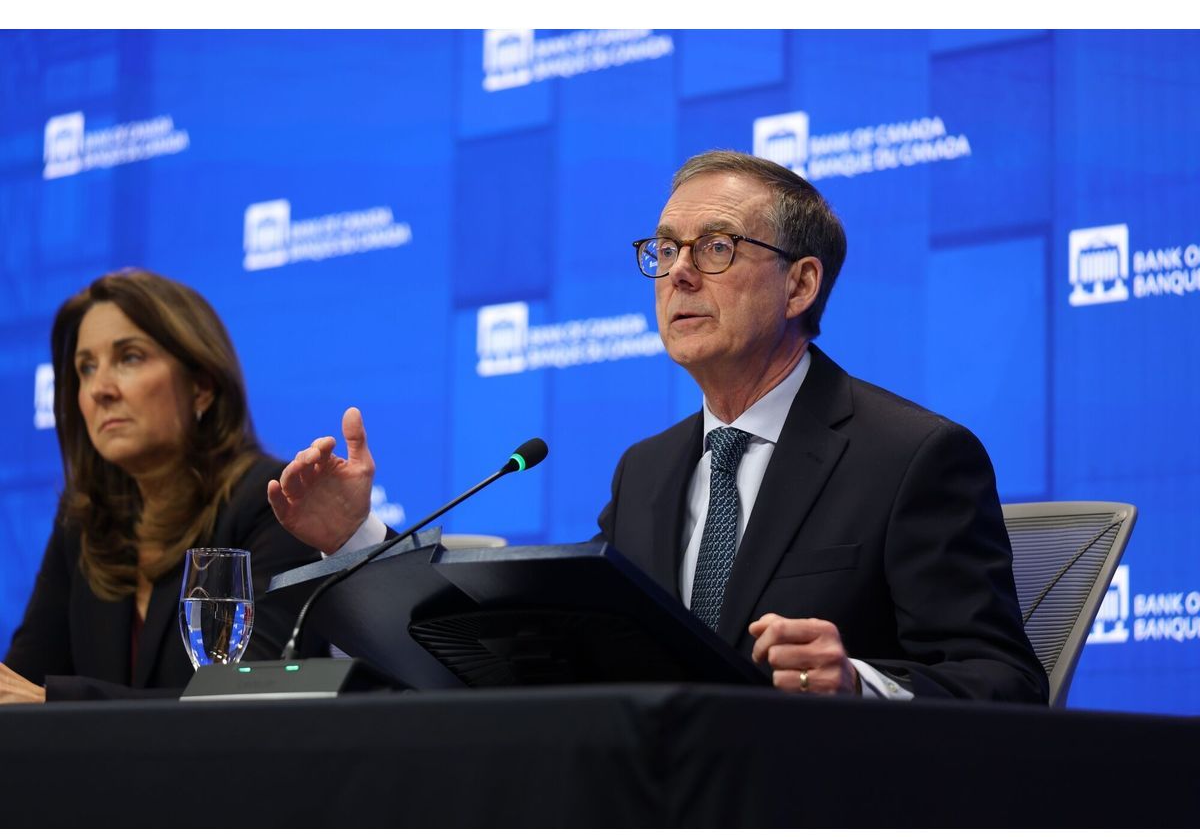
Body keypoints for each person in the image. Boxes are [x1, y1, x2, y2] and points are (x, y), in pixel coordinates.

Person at [267, 151, 1049, 703]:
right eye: (666, 249)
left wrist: (859, 683)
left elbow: (1004, 683)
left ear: (801, 283)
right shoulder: (646, 471)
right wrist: (358, 541)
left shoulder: (911, 457)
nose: (678, 272)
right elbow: (552, 655)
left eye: (716, 247)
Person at [0, 269, 318, 703]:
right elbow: (18, 682)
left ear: (201, 386)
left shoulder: (272, 502)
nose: (99, 390)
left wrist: (53, 703)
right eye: (85, 368)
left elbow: (247, 696)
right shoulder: (85, 522)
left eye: (129, 357)